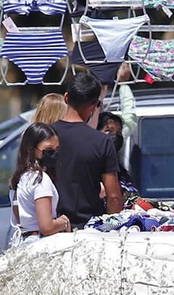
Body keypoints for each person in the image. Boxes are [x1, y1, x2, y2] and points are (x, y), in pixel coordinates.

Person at [51, 74, 123, 230]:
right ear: (94, 105)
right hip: (90, 230)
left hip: (53, 229)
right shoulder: (102, 142)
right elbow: (114, 197)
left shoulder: (47, 136)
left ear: (66, 97)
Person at [9, 122, 68, 241]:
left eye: (57, 149)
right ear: (32, 149)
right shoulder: (40, 180)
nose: (54, 154)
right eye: (48, 150)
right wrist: (64, 222)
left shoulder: (21, 178)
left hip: (23, 240)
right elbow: (47, 226)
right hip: (39, 242)